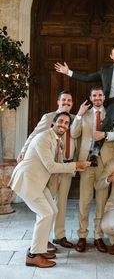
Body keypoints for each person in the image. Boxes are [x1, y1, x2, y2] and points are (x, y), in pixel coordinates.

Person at [8, 112, 90, 268]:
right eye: (60, 121)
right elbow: (51, 166)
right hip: (28, 181)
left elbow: (57, 166)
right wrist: (76, 165)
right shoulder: (44, 137)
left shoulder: (56, 140)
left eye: (66, 123)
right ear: (54, 122)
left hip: (39, 182)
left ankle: (40, 248)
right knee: (46, 213)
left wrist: (77, 168)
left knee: (52, 210)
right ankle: (33, 255)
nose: (63, 125)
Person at [17, 91, 77, 250]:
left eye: (69, 100)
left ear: (72, 103)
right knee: (45, 205)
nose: (66, 102)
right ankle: (44, 240)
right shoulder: (49, 117)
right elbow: (34, 135)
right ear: (58, 101)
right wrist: (24, 151)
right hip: (50, 167)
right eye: (63, 99)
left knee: (61, 204)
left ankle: (59, 236)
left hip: (67, 166)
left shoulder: (75, 119)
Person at [70, 87, 114, 253]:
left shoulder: (112, 113)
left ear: (104, 97)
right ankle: (82, 236)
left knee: (101, 202)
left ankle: (98, 236)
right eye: (94, 95)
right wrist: (78, 114)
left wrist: (106, 136)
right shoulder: (84, 114)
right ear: (91, 97)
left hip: (105, 162)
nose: (97, 97)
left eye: (100, 95)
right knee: (84, 202)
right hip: (87, 162)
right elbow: (73, 133)